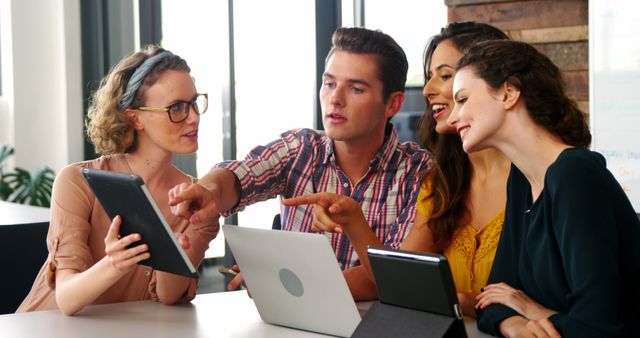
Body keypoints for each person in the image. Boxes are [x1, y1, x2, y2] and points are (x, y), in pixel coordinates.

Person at [169, 27, 432, 297]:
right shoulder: (301, 149)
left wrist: (283, 281)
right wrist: (210, 190)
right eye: (329, 83)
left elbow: (395, 276)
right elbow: (240, 174)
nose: (335, 99)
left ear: (392, 104)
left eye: (355, 89)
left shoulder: (418, 172)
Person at [283, 22, 511, 315]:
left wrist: (476, 306)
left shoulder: (544, 179)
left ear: (503, 88)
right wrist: (353, 218)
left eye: (445, 76)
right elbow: (399, 283)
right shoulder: (442, 182)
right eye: (430, 76)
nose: (428, 90)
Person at [448, 40, 640, 337]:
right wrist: (517, 327)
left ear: (508, 93)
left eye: (462, 100)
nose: (452, 118)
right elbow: (490, 300)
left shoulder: (574, 174)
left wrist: (530, 309)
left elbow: (597, 330)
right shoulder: (522, 179)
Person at [17, 46, 218, 315]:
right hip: (44, 328)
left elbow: (169, 296)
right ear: (135, 118)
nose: (193, 117)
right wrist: (114, 264)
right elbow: (66, 298)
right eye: (176, 108)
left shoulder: (198, 200)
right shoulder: (76, 182)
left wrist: (173, 251)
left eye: (194, 102)